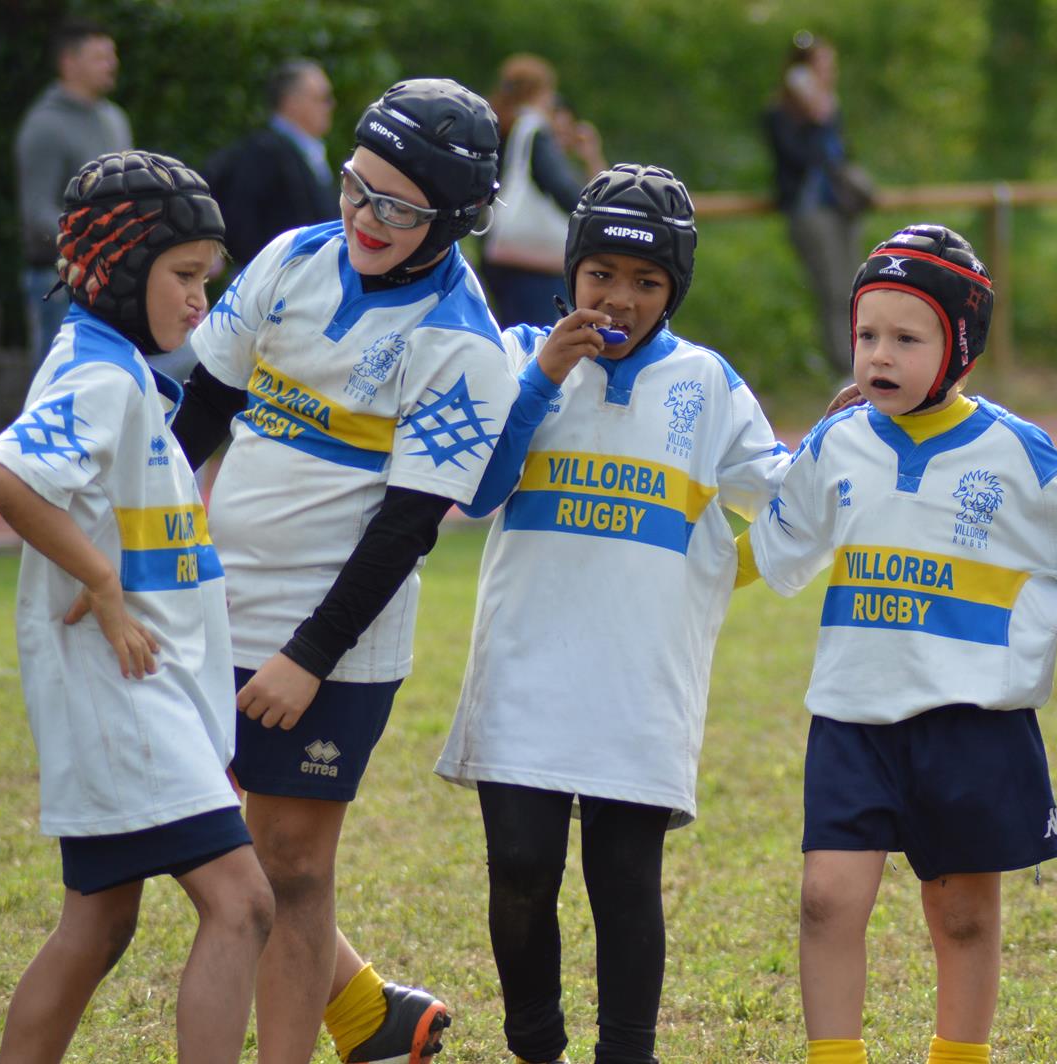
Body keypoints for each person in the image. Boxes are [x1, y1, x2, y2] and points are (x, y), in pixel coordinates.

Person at [172, 78, 516, 1063]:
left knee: (290, 864)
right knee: (196, 837)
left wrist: (308, 657)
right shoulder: (290, 256)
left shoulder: (461, 343)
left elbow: (405, 530)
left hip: (332, 644)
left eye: (396, 208)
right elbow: (200, 416)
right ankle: (372, 1012)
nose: (364, 217)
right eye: (355, 186)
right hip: (214, 604)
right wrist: (137, 554)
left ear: (452, 219)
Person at [742, 224, 1057, 1064]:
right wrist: (674, 574)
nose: (879, 354)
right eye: (866, 334)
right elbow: (773, 548)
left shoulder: (1017, 452)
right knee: (825, 899)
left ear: (961, 348)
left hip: (972, 725)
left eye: (907, 339)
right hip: (851, 720)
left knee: (961, 917)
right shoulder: (838, 441)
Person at [437, 163, 790, 1064]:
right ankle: (536, 1044)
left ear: (675, 291)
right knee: (521, 870)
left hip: (640, 680)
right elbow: (476, 493)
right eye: (601, 275)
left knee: (624, 879)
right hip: (524, 668)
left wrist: (719, 572)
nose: (619, 300)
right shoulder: (519, 354)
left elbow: (790, 503)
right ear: (571, 272)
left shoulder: (708, 383)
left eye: (646, 282)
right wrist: (542, 380)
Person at [0, 150, 272, 1063]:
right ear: (119, 269)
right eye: (183, 276)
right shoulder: (99, 377)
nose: (199, 301)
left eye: (206, 279)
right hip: (123, 694)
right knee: (243, 902)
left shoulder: (120, 368)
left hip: (144, 690)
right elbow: (3, 475)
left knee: (99, 925)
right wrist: (103, 588)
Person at [14, 18, 132, 366]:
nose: (112, 65)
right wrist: (94, 241)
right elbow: (36, 211)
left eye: (112, 56)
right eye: (100, 57)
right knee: (58, 376)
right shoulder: (45, 126)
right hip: (58, 281)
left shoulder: (114, 118)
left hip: (111, 276)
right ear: (69, 63)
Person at [765, 31, 867, 378]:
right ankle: (845, 368)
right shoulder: (781, 113)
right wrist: (812, 118)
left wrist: (826, 116)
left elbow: (841, 155)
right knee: (833, 289)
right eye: (821, 66)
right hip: (810, 210)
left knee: (855, 287)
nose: (828, 73)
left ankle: (864, 361)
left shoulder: (830, 107)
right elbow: (795, 159)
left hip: (841, 207)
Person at [482, 54, 600, 329]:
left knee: (510, 333)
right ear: (542, 91)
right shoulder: (533, 128)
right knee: (537, 338)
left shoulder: (500, 126)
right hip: (531, 263)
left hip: (500, 250)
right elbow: (561, 188)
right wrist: (595, 215)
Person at [205, 57, 339, 268]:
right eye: (322, 98)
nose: (330, 105)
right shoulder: (265, 152)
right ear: (292, 102)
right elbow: (243, 223)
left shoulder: (307, 152)